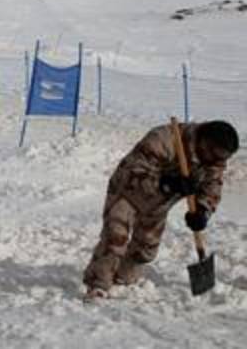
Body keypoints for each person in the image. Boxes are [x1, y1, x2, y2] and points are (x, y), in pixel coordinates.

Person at [82, 120, 238, 301]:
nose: (217, 159)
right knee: (116, 238)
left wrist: (203, 211)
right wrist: (167, 184)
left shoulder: (213, 160)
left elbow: (212, 187)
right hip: (128, 191)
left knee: (146, 250)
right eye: (216, 153)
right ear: (204, 141)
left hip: (158, 204)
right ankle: (98, 284)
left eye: (223, 156)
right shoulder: (165, 139)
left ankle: (122, 278)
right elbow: (135, 169)